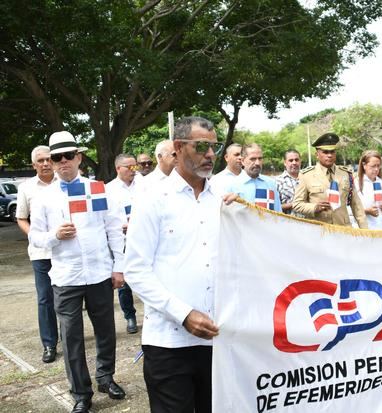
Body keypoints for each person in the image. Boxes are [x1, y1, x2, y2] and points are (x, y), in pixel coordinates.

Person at [124, 116, 234, 413]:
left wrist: (243, 217)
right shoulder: (152, 198)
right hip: (169, 345)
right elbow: (135, 269)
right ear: (177, 147)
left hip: (218, 342)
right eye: (201, 146)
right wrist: (183, 314)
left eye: (214, 147)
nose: (210, 155)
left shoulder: (223, 203)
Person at [29, 131, 127, 413]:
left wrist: (119, 267)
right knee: (71, 337)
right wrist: (55, 235)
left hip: (98, 273)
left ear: (78, 157)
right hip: (66, 277)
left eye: (67, 156)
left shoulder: (96, 188)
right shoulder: (44, 197)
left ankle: (105, 377)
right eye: (55, 158)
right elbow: (35, 238)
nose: (62, 163)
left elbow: (112, 229)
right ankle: (81, 392)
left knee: (106, 330)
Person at [15, 145, 59, 363]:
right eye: (40, 161)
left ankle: (72, 338)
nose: (45, 163)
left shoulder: (66, 183)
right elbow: (21, 217)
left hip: (66, 251)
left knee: (71, 298)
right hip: (41, 253)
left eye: (48, 159)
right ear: (34, 165)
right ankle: (49, 343)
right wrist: (35, 236)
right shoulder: (27, 188)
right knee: (45, 299)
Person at [292, 133, 367, 228]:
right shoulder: (306, 175)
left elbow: (357, 205)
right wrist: (314, 207)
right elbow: (297, 204)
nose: (330, 155)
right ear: (317, 155)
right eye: (325, 152)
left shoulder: (346, 174)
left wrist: (365, 230)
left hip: (343, 229)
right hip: (319, 230)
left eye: (332, 152)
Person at [106, 153, 141, 334]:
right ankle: (130, 316)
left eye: (135, 166)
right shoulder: (108, 190)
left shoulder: (144, 185)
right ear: (118, 168)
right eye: (129, 167)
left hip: (143, 238)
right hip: (122, 240)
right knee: (124, 282)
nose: (133, 170)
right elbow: (107, 219)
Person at [228, 143, 282, 212]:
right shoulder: (232, 185)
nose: (257, 163)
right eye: (253, 159)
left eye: (260, 159)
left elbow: (278, 213)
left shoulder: (271, 184)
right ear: (243, 161)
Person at [355, 150, 382, 230]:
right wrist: (366, 211)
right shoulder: (355, 183)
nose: (376, 169)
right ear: (364, 165)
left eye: (378, 165)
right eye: (373, 166)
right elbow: (348, 209)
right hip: (365, 229)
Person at [275, 149, 302, 216]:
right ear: (285, 162)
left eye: (296, 160)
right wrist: (294, 205)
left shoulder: (308, 178)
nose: (294, 163)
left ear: (300, 161)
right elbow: (274, 207)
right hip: (288, 223)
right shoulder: (277, 182)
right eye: (291, 160)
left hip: (310, 223)